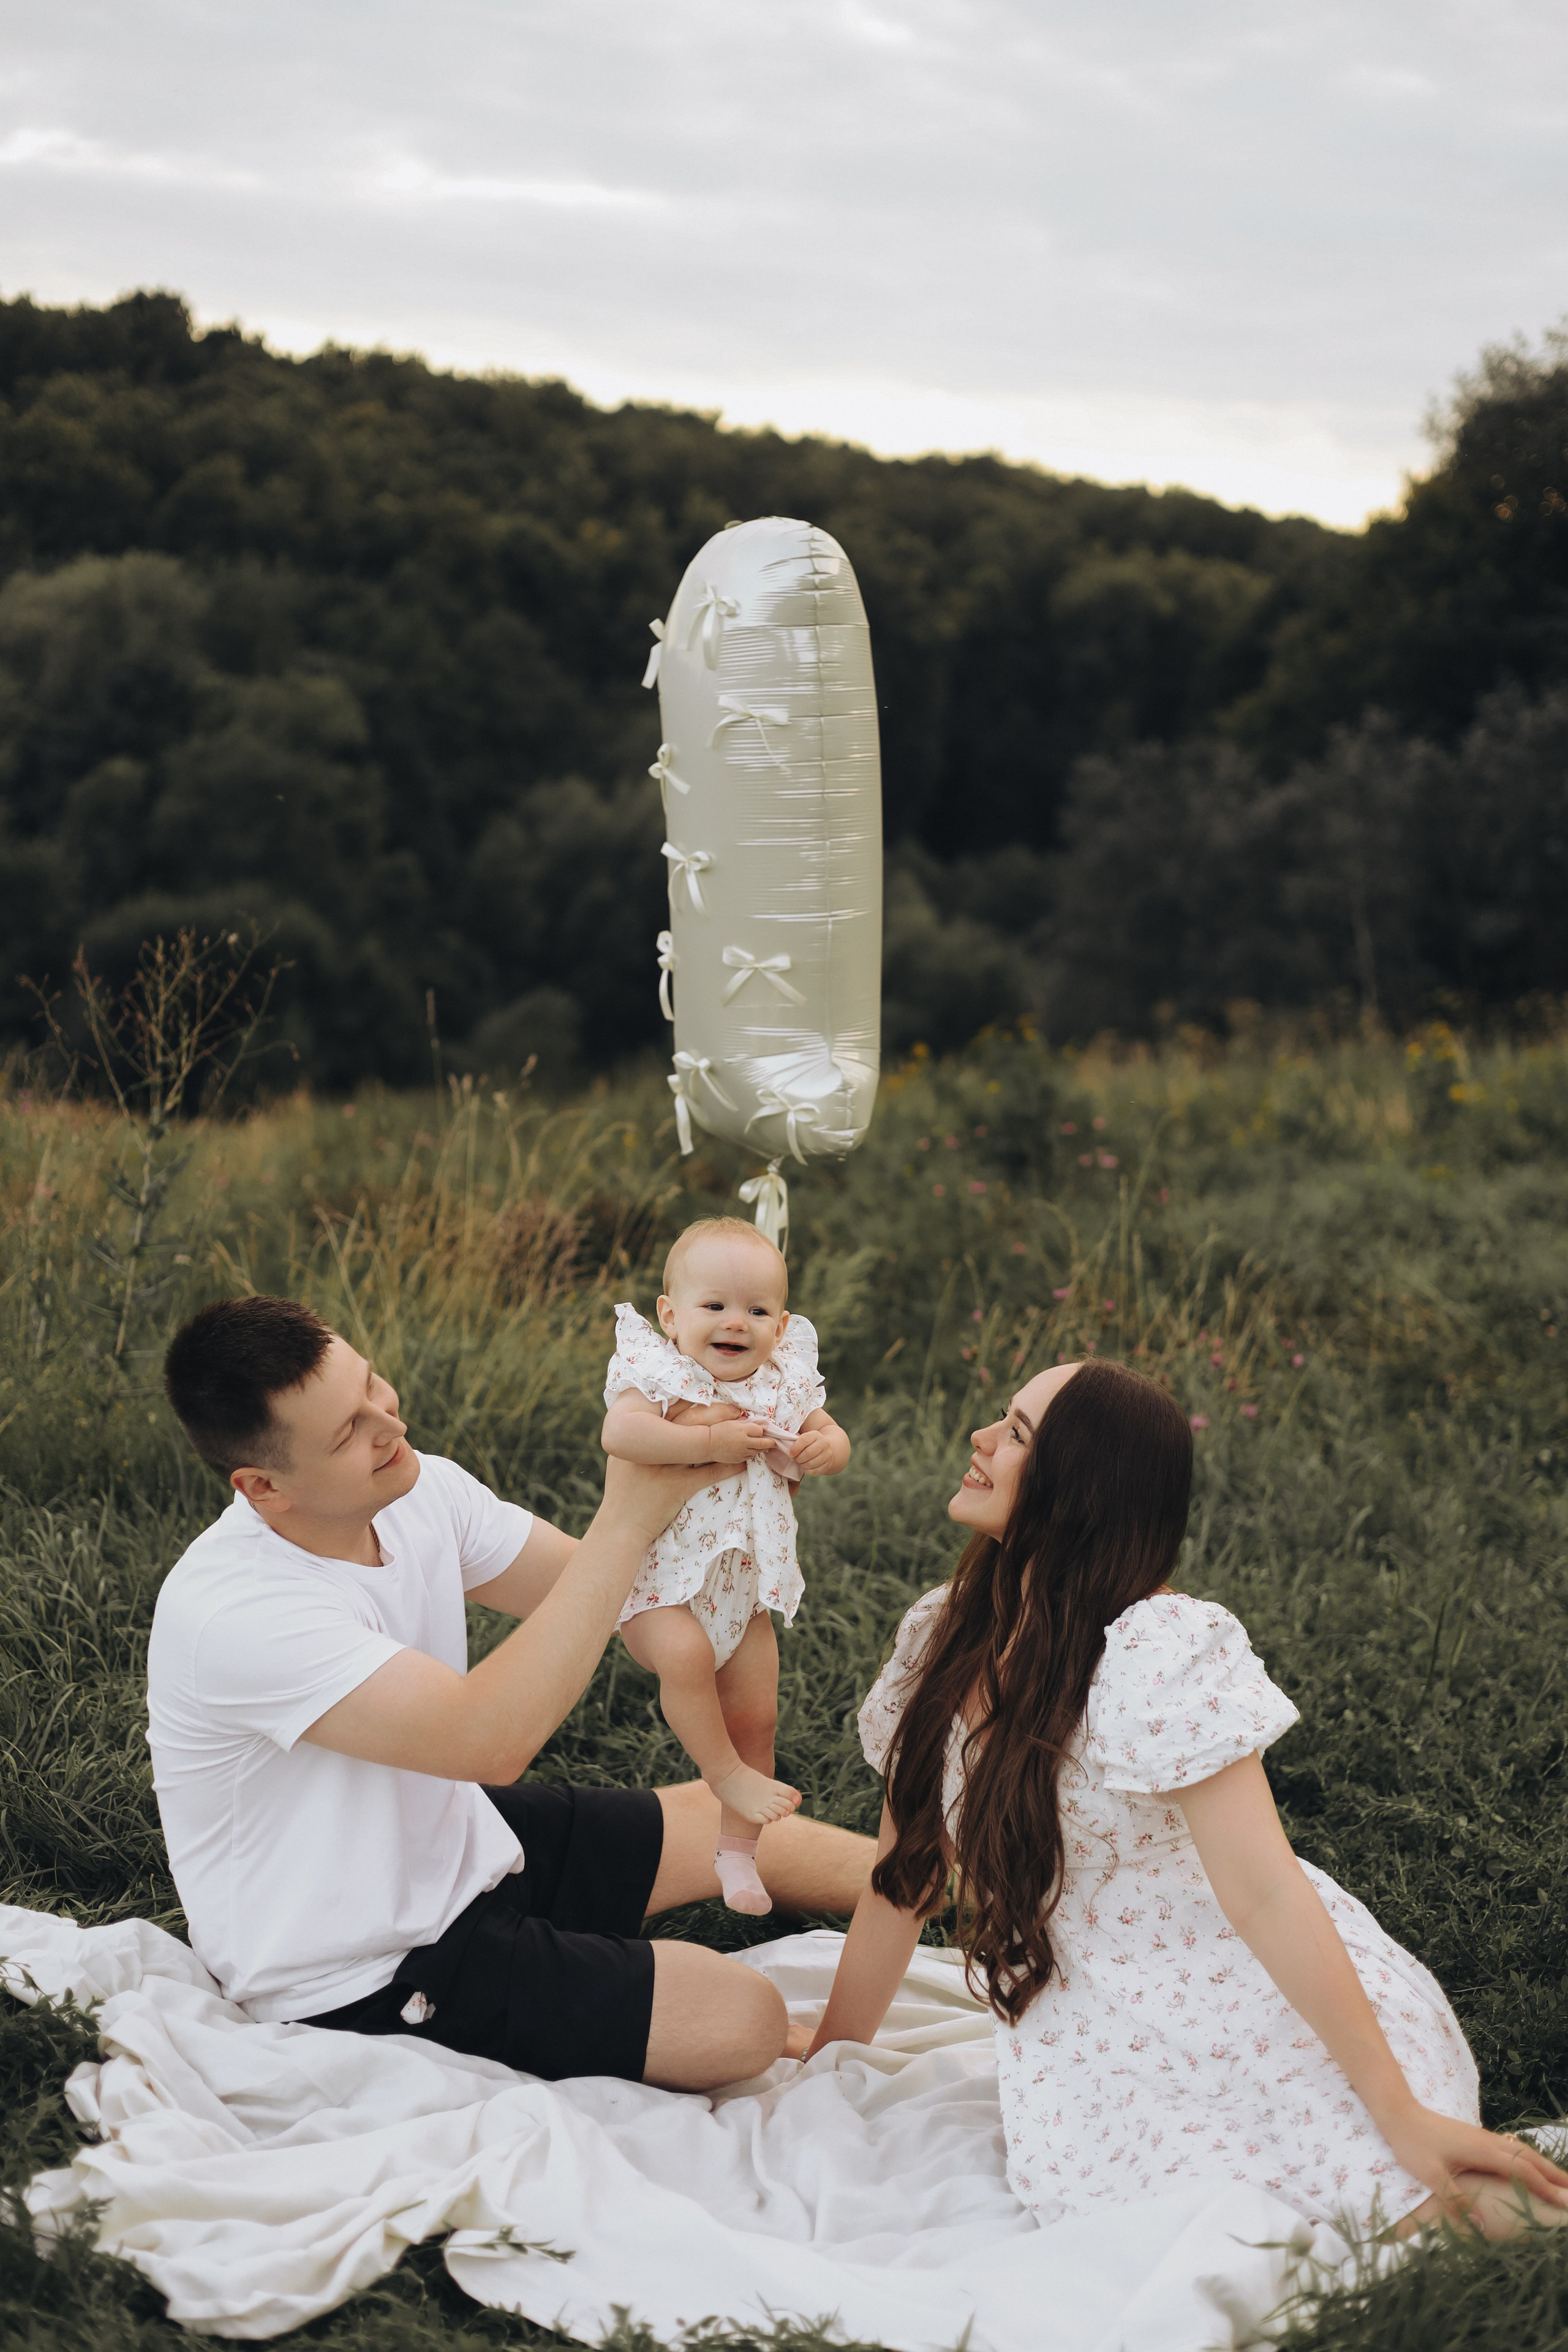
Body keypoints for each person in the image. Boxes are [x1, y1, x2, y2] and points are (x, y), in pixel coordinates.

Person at [807, 1358, 1568, 2239]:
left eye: (1016, 1433)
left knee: (1403, 2202)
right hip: (1095, 2021)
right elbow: (904, 1876)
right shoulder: (946, 1631)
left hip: (1252, 1992)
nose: (979, 1440)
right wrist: (830, 2055)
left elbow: (1266, 1891)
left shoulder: (1155, 1649)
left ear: (1079, 1487)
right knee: (1201, 2214)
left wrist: (1399, 2111)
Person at [149, 1294, 870, 2095]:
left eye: (372, 1386)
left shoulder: (418, 1491)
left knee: (725, 1817)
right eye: (348, 1431)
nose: (390, 1424)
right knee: (743, 2019)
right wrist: (624, 1523)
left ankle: (965, 1882)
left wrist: (727, 1494)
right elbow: (488, 1742)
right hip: (360, 1968)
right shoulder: (238, 1614)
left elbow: (614, 1604)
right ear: (263, 1486)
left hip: (455, 1843)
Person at [602, 1218, 851, 1915]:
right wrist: (707, 1441)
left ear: (782, 1326)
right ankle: (722, 1774)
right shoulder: (661, 1375)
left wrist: (829, 1448)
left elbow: (827, 1429)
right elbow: (620, 1432)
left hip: (742, 1593)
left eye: (758, 1310)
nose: (736, 1322)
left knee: (757, 1716)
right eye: (714, 1305)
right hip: (658, 1588)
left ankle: (737, 1856)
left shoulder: (784, 1381)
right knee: (684, 1657)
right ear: (670, 1315)